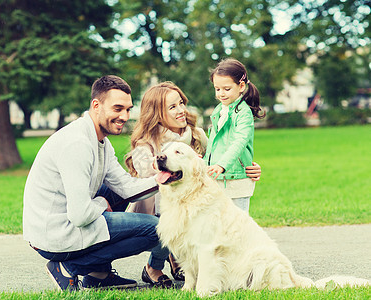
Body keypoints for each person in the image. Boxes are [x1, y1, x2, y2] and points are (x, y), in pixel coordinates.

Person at [23, 75, 162, 291]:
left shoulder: (101, 142)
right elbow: (79, 215)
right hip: (54, 234)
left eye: (128, 109)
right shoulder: (77, 144)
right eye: (117, 108)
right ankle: (68, 267)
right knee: (155, 230)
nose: (124, 116)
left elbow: (126, 187)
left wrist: (163, 178)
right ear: (96, 105)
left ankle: (98, 275)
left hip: (69, 221)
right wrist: (99, 203)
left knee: (114, 192)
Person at [124, 81, 262, 287]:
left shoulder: (196, 134)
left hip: (192, 203)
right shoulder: (146, 144)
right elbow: (147, 175)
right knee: (169, 223)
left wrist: (247, 168)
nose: (181, 110)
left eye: (181, 103)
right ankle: (154, 266)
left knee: (202, 218)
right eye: (172, 107)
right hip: (156, 205)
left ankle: (187, 260)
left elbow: (218, 160)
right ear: (156, 113)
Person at [204, 58, 266, 212]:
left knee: (238, 223)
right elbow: (213, 144)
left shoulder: (243, 113)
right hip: (218, 178)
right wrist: (206, 164)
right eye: (217, 89)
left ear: (241, 86)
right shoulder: (219, 110)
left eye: (226, 89)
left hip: (237, 178)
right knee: (219, 223)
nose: (221, 94)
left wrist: (221, 165)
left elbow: (239, 142)